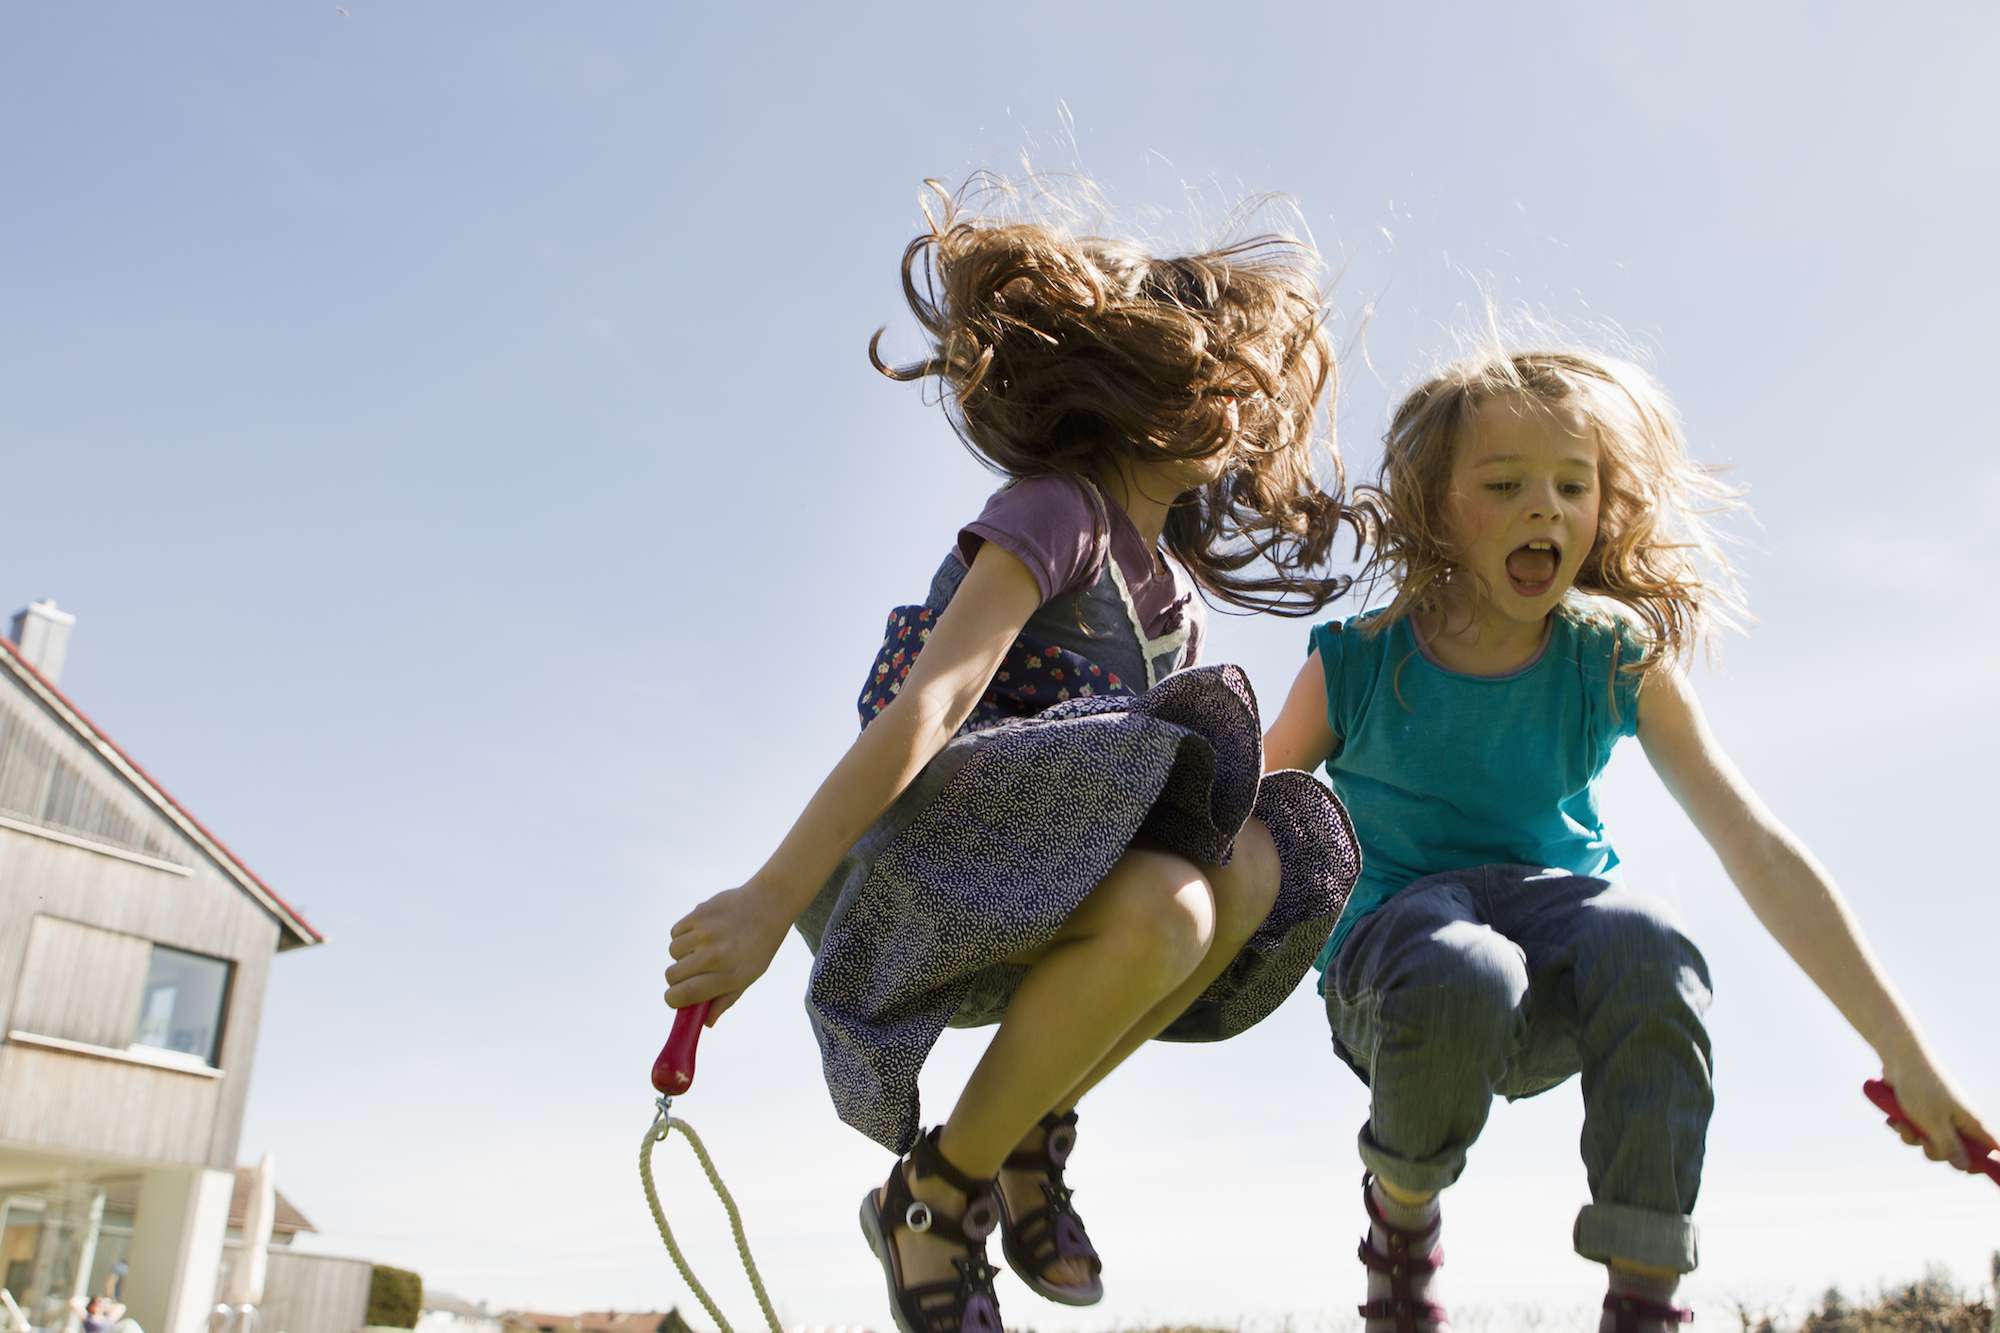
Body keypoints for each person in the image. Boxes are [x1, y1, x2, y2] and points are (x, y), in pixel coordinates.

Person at [665, 178, 1361, 1333]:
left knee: (1239, 872)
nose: (1253, 417)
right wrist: (765, 897)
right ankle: (935, 1199)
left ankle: (1022, 1126)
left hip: (1059, 891)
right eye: (1233, 380)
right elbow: (927, 707)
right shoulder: (1056, 512)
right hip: (945, 869)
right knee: (1196, 828)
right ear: (1159, 380)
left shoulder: (1173, 596)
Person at [1260, 348, 1994, 1333]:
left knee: (1647, 933)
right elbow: (1240, 821)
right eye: (1504, 485)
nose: (1544, 510)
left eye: (1573, 485)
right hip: (1397, 982)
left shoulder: (1609, 655)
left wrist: (1903, 1051)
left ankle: (1643, 1299)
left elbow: (1752, 842)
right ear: (1436, 508)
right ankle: (1399, 1221)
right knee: (1460, 962)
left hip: (1563, 972)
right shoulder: (1356, 661)